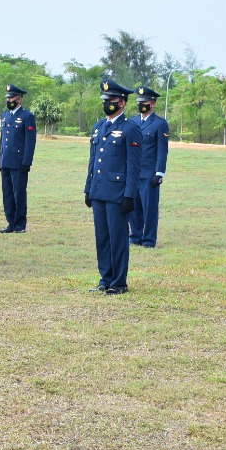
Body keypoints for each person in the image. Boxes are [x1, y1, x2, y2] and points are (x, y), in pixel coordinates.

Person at [84, 80, 143, 295]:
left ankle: (119, 282)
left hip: (118, 193)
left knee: (118, 238)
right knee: (102, 237)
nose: (108, 103)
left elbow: (133, 165)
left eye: (112, 100)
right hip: (99, 190)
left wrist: (129, 195)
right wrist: (88, 187)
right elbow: (93, 161)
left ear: (123, 103)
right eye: (106, 100)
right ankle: (105, 278)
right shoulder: (98, 127)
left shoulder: (130, 129)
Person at [128, 85, 170, 248]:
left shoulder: (159, 124)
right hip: (133, 172)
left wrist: (159, 173)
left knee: (149, 208)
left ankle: (149, 240)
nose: (141, 104)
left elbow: (162, 150)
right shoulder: (132, 122)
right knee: (133, 206)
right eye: (139, 101)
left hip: (149, 173)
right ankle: (135, 236)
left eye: (144, 101)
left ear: (152, 103)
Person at [0, 84, 37, 234]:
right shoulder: (5, 116)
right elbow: (3, 140)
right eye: (7, 98)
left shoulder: (27, 116)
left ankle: (20, 224)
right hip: (5, 160)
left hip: (19, 162)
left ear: (19, 99)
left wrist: (27, 162)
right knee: (7, 193)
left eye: (11, 98)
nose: (8, 100)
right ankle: (10, 222)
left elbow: (30, 141)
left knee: (18, 193)